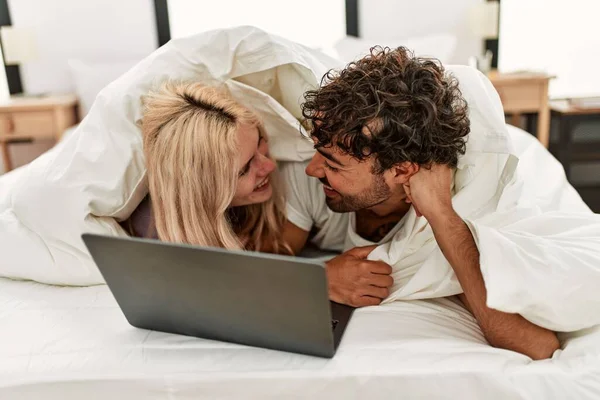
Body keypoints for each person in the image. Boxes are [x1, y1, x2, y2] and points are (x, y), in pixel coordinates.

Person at [280, 46, 560, 360]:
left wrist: (442, 215)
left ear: (400, 171)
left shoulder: (471, 205)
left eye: (332, 164)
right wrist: (320, 277)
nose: (312, 168)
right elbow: (254, 269)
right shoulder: (308, 179)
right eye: (318, 150)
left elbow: (538, 347)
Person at [121, 81, 290, 254]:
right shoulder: (152, 242)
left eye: (260, 142)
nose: (269, 166)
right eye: (244, 170)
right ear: (203, 189)